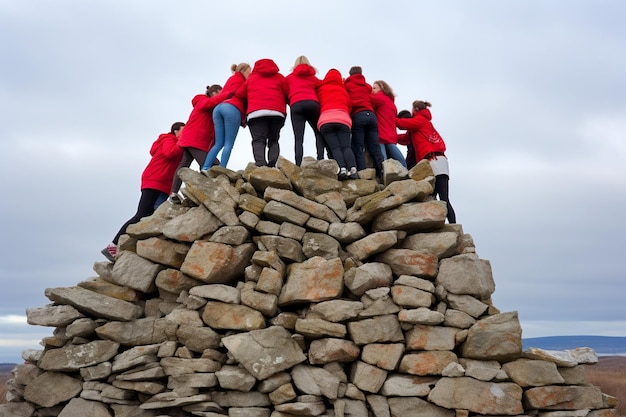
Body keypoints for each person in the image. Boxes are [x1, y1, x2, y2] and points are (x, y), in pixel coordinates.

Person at [101, 122, 185, 262]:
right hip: (154, 179)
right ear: (175, 131)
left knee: (153, 217)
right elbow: (170, 153)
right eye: (184, 129)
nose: (186, 132)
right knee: (142, 213)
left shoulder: (177, 143)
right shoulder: (168, 140)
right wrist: (183, 140)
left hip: (164, 184)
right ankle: (113, 246)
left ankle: (138, 249)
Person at [396, 100, 456, 223]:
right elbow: (404, 138)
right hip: (436, 161)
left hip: (435, 160)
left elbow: (402, 124)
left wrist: (387, 118)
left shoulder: (420, 120)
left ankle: (453, 225)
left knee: (443, 198)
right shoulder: (419, 125)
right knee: (435, 196)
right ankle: (442, 223)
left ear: (415, 109)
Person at [169, 84, 228, 202]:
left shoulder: (211, 108)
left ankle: (174, 193)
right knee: (211, 164)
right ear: (215, 93)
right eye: (221, 93)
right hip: (194, 140)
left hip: (193, 140)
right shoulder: (202, 101)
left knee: (184, 164)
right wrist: (229, 93)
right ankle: (203, 192)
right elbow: (211, 103)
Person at [236, 58, 289, 167]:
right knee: (274, 140)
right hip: (277, 113)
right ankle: (273, 163)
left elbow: (240, 94)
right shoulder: (279, 77)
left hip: (256, 113)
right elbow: (288, 93)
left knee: (258, 140)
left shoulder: (251, 78)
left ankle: (260, 164)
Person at [201, 63, 251, 171]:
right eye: (249, 71)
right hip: (232, 108)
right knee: (228, 143)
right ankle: (222, 169)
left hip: (218, 108)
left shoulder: (231, 79)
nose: (250, 73)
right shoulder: (244, 82)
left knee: (218, 143)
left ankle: (205, 167)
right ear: (243, 71)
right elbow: (244, 96)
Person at [316, 68, 358, 180]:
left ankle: (342, 169)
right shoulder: (343, 90)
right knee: (346, 147)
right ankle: (353, 169)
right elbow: (350, 105)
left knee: (335, 148)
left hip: (326, 120)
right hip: (343, 119)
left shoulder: (321, 88)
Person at [344, 66, 385, 175]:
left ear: (350, 74)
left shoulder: (347, 85)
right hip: (371, 115)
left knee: (358, 146)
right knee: (374, 145)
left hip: (358, 115)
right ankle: (382, 171)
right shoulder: (367, 86)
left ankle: (362, 172)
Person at [285, 55, 326, 164]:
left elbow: (284, 92)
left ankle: (298, 163)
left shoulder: (289, 78)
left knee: (298, 137)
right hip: (313, 103)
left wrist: (292, 102)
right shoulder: (314, 78)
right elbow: (324, 86)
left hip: (296, 104)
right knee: (318, 132)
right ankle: (320, 158)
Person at [371, 80, 406, 167]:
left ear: (382, 88)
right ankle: (405, 169)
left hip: (381, 133)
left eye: (374, 88)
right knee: (396, 155)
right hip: (390, 134)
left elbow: (367, 99)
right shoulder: (390, 102)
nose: (372, 90)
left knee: (383, 161)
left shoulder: (380, 97)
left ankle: (384, 175)